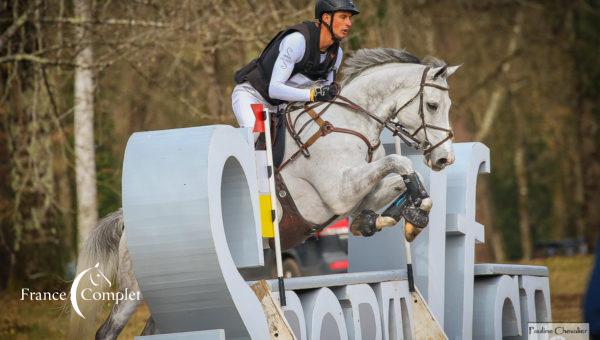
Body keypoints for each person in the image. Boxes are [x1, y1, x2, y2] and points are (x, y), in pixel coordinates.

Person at [232, 0, 359, 138]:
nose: (349, 23)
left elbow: (323, 94)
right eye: (343, 17)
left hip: (284, 107)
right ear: (326, 18)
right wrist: (313, 94)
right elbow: (274, 90)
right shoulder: (298, 41)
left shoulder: (336, 53)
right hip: (254, 97)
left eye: (350, 18)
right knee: (255, 132)